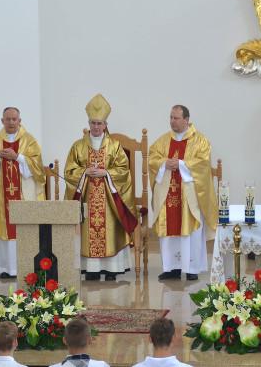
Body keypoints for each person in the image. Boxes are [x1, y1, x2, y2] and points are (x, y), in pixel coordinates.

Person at [64, 94, 137, 281]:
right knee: (88, 227)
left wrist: (107, 173)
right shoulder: (78, 146)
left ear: (105, 125)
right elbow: (69, 171)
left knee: (110, 227)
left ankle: (112, 268)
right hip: (87, 198)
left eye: (99, 123)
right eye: (93, 123)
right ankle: (91, 269)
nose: (96, 127)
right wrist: (84, 172)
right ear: (88, 123)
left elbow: (123, 170)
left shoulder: (114, 146)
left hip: (109, 200)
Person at [149, 105, 217, 281]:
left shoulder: (200, 141)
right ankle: (171, 268)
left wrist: (180, 164)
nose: (172, 121)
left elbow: (203, 163)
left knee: (190, 230)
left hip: (189, 195)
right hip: (168, 193)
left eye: (176, 118)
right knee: (169, 227)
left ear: (186, 120)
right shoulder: (163, 140)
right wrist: (164, 163)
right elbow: (152, 157)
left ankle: (192, 268)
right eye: (171, 117)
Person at [0, 107, 46, 279]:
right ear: (2, 121)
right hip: (2, 197)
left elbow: (38, 167)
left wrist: (18, 157)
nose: (11, 122)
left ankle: (25, 267)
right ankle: (6, 268)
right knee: (4, 229)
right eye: (7, 119)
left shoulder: (29, 140)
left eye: (14, 119)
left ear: (19, 121)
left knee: (23, 229)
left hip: (24, 195)